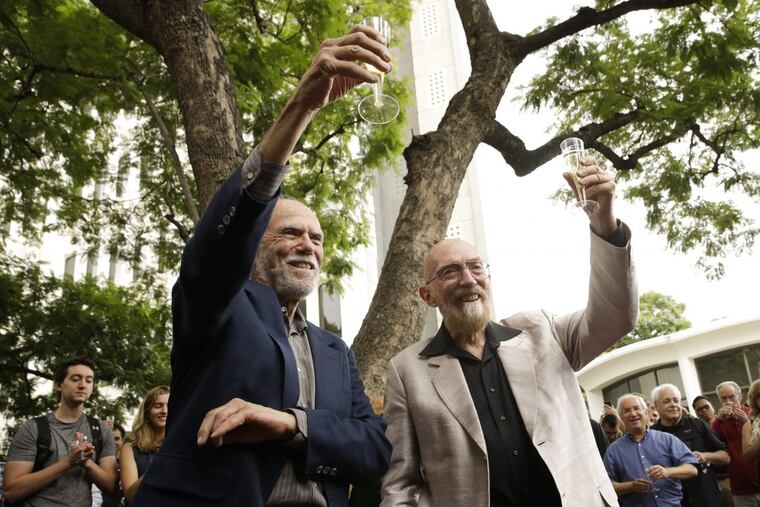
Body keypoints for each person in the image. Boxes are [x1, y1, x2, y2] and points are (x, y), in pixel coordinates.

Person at [131, 25, 391, 507]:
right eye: (290, 232)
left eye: (317, 239)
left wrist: (290, 425)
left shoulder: (336, 353)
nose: (308, 246)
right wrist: (303, 107)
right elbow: (218, 247)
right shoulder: (219, 305)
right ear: (255, 247)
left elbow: (375, 447)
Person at [381, 155, 637, 506]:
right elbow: (402, 481)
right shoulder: (407, 370)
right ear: (428, 296)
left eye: (475, 267)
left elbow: (615, 317)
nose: (468, 279)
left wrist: (604, 223)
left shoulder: (542, 331)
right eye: (451, 272)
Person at [3, 357, 118, 506]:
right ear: (59, 384)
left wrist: (87, 463)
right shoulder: (33, 428)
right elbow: (10, 492)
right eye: (76, 379)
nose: (83, 385)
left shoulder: (100, 430)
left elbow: (111, 486)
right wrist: (68, 462)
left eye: (89, 381)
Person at [604, 394, 699, 506]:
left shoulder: (667, 439)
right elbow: (606, 487)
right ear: (621, 418)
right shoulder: (613, 451)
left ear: (645, 412)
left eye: (636, 408)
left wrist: (667, 472)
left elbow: (692, 469)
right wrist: (631, 486)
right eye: (627, 411)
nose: (633, 414)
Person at [651, 383, 730, 507]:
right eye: (667, 401)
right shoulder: (652, 434)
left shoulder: (698, 425)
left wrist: (706, 456)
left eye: (676, 400)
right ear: (656, 406)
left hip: (707, 498)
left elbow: (725, 457)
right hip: (675, 502)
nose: (673, 405)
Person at [713, 381, 760, 506]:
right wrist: (719, 421)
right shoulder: (718, 422)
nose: (728, 401)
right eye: (724, 398)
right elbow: (713, 444)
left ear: (740, 396)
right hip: (740, 487)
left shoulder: (754, 414)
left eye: (732, 397)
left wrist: (748, 421)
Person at [120, 386, 169, 504]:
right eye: (158, 406)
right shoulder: (130, 448)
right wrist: (159, 463)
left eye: (169, 405)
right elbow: (130, 496)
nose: (164, 410)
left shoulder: (182, 444)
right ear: (147, 412)